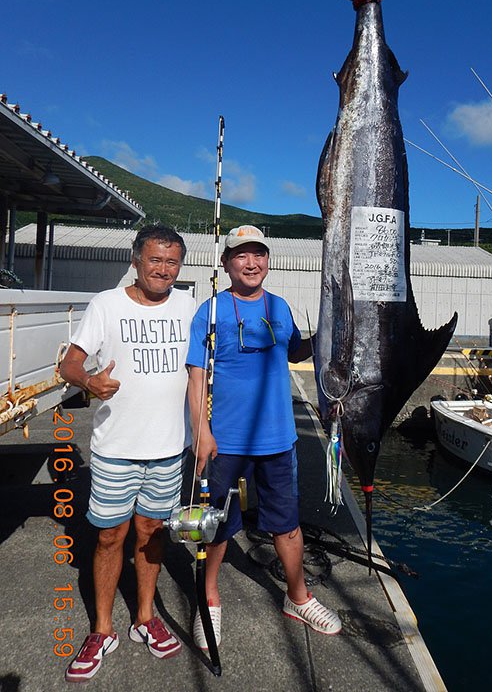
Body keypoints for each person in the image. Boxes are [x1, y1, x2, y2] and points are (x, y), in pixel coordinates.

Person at [186, 225, 341, 650]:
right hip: (225, 442)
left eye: (259, 254)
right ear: (227, 264)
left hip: (278, 439)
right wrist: (201, 431)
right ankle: (209, 599)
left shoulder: (280, 306)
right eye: (241, 255)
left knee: (287, 525)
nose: (251, 263)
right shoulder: (211, 311)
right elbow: (196, 378)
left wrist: (333, 333)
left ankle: (297, 597)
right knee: (215, 525)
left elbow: (294, 350)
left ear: (267, 261)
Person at [60, 224, 196, 682]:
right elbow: (70, 362)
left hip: (168, 447)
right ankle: (102, 628)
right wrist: (88, 382)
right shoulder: (106, 304)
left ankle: (145, 618)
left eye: (172, 261)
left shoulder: (188, 306)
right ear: (136, 260)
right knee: (109, 537)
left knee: (151, 532)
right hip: (116, 448)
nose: (163, 269)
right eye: (155, 260)